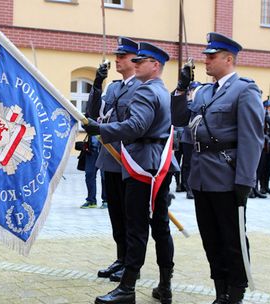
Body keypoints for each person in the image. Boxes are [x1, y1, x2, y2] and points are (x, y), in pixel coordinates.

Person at [84, 42, 175, 304]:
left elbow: (136, 126)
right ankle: (164, 285)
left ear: (155, 65)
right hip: (157, 163)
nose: (135, 64)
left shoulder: (147, 91)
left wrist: (101, 131)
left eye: (140, 61)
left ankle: (127, 289)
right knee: (159, 226)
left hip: (141, 164)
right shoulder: (160, 89)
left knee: (136, 227)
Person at [182, 32, 263, 304]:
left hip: (228, 176)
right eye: (205, 56)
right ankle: (220, 290)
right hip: (202, 175)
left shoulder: (245, 89)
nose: (206, 61)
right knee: (210, 237)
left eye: (211, 56)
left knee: (232, 237)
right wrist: (181, 90)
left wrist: (245, 181)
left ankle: (236, 291)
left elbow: (252, 138)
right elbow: (180, 118)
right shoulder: (204, 91)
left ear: (229, 59)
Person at [86, 37, 142, 281]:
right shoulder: (114, 88)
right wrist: (98, 84)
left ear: (134, 60)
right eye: (117, 55)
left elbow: (133, 124)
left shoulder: (141, 87)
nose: (117, 59)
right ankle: (121, 258)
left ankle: (132, 264)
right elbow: (93, 114)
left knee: (130, 216)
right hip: (110, 157)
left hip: (129, 158)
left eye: (122, 56)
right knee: (116, 214)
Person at [80, 135, 108, 208]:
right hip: (91, 150)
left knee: (104, 176)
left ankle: (106, 200)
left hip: (105, 150)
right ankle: (91, 200)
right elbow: (84, 125)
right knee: (89, 175)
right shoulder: (92, 123)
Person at [259, 99, 270, 195]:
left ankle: (266, 185)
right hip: (263, 146)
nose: (269, 109)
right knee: (260, 167)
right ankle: (258, 187)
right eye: (267, 107)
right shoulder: (261, 116)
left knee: (268, 167)